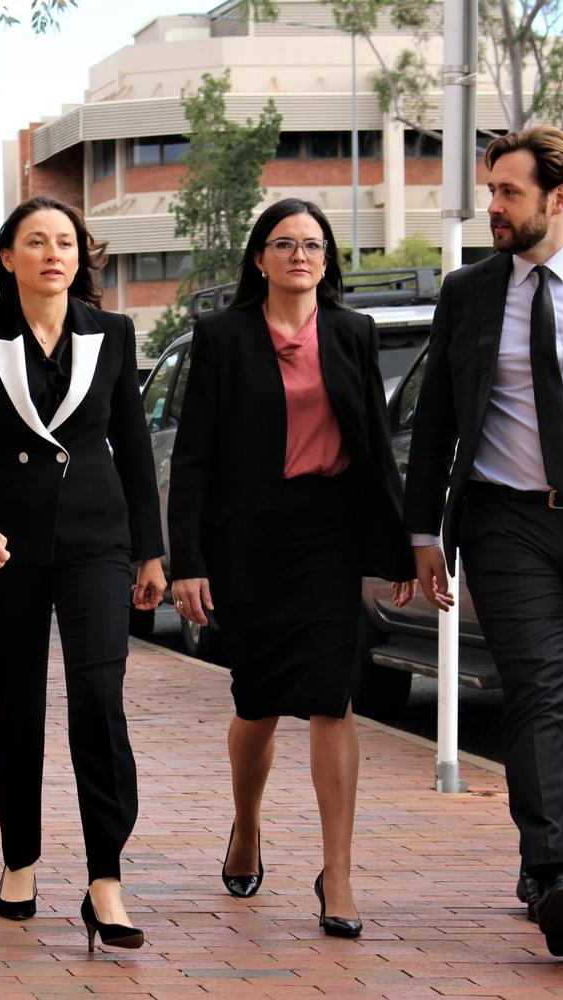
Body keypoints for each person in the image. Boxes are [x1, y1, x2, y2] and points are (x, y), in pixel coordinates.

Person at [167, 197, 415, 938]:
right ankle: (246, 826)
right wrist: (189, 560)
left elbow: (372, 441)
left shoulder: (353, 333)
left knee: (333, 697)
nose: (300, 255)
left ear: (327, 259)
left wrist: (399, 545)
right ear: (260, 258)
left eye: (313, 244)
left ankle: (337, 873)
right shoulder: (221, 337)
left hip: (327, 534)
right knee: (257, 702)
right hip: (246, 538)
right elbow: (193, 456)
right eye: (285, 243)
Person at [404, 127, 563, 957]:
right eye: (490, 191)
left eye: (509, 193)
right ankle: (557, 871)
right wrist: (423, 533)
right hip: (504, 519)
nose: (492, 206)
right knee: (536, 688)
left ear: (559, 199)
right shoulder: (470, 292)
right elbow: (436, 423)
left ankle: (540, 860)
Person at [0, 195, 166, 951]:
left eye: (68, 243)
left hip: (96, 543)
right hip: (4, 544)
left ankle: (106, 878)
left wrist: (151, 550)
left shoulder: (111, 332)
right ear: (8, 257)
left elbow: (135, 447)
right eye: (37, 242)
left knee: (98, 701)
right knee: (17, 701)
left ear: (82, 257)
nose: (55, 253)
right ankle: (21, 859)